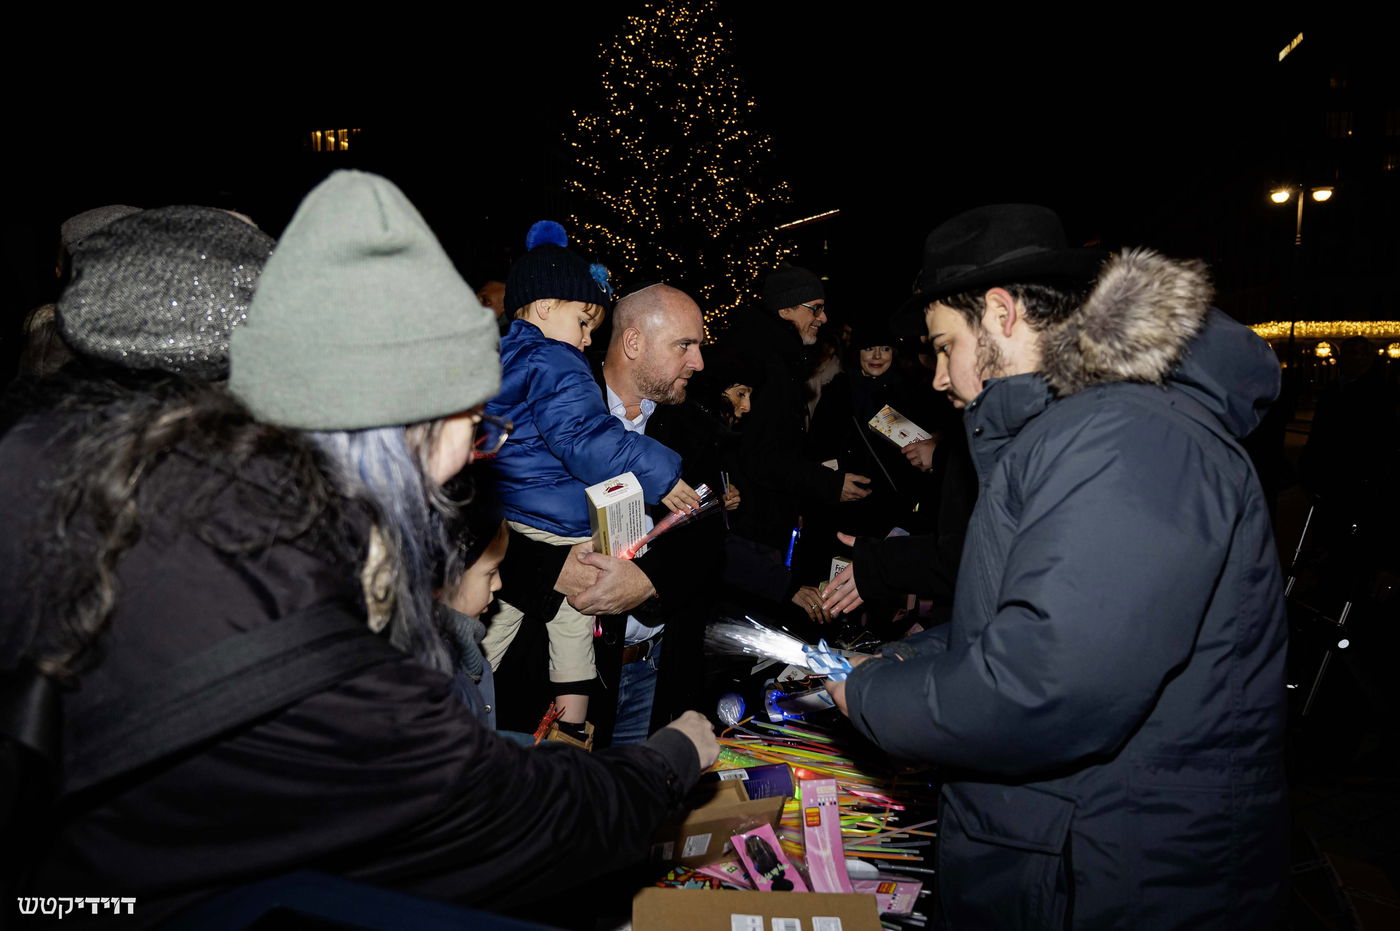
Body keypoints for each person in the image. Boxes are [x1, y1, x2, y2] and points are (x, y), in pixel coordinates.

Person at [1, 173, 717, 925]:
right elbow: (481, 814)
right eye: (475, 427)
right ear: (403, 425)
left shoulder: (84, 467)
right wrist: (665, 763)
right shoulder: (286, 588)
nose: (475, 454)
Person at [827, 204, 1288, 928]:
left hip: (1119, 868)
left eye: (946, 347)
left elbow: (1050, 684)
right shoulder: (1081, 429)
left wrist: (876, 699)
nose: (940, 378)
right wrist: (910, 658)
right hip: (1077, 845)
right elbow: (1028, 619)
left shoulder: (1127, 434)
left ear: (1002, 313)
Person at [483, 221, 698, 739]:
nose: (697, 361)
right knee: (543, 632)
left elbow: (708, 547)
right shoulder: (560, 370)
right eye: (684, 345)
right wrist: (550, 569)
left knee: (490, 637)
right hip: (529, 682)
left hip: (651, 668)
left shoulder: (695, 426)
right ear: (634, 341)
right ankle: (568, 734)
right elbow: (581, 440)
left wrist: (649, 581)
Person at [724, 263, 871, 602]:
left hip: (761, 524)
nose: (823, 318)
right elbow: (760, 457)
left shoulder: (777, 359)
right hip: (752, 533)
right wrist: (827, 484)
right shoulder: (765, 367)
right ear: (785, 309)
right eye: (815, 308)